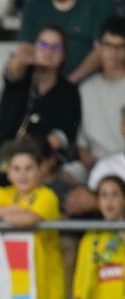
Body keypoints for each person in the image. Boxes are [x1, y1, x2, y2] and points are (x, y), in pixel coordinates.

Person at [0, 139, 66, 299]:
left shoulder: (46, 195)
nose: (23, 175)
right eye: (16, 169)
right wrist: (14, 209)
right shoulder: (4, 194)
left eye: (29, 168)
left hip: (43, 282)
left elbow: (29, 218)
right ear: (8, 173)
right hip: (13, 279)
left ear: (40, 170)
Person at [0, 26, 81, 176]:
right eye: (43, 45)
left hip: (43, 158)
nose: (48, 51)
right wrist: (21, 58)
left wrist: (35, 145)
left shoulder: (68, 91)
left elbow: (64, 135)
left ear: (64, 55)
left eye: (56, 47)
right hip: (3, 152)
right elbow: (12, 74)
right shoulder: (22, 77)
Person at [73, 19, 125, 186]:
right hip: (93, 164)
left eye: (120, 47)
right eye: (108, 45)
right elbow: (82, 140)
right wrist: (86, 157)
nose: (113, 53)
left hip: (122, 164)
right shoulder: (86, 89)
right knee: (61, 181)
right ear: (98, 46)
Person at [19, 0, 114, 83]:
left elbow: (102, 51)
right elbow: (25, 50)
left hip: (89, 82)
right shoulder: (34, 6)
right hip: (44, 83)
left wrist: (69, 83)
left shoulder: (99, 3)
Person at [72, 174, 125, 299]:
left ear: (124, 199)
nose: (109, 201)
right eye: (104, 195)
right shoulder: (89, 239)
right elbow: (79, 286)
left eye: (115, 195)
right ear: (98, 201)